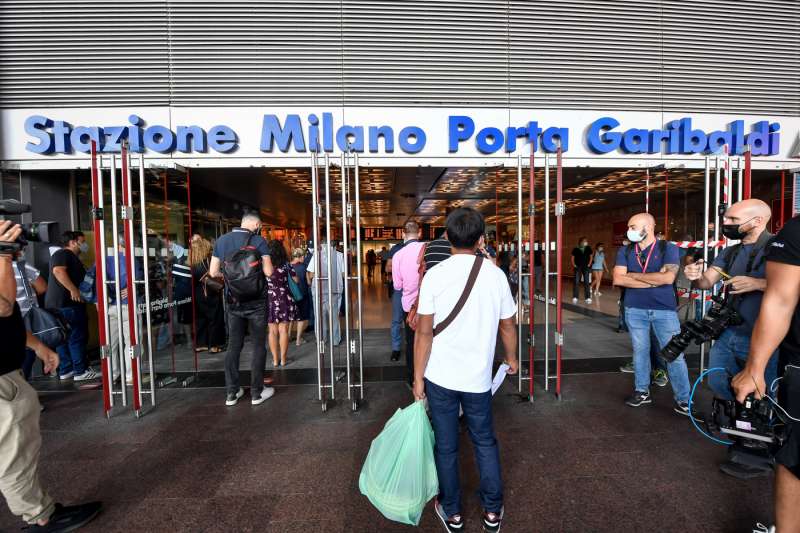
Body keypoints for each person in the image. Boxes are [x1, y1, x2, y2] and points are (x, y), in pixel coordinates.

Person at [412, 208, 518, 533]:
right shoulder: (495, 275)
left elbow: (424, 333)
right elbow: (508, 327)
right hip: (478, 378)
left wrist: (418, 378)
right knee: (484, 441)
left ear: (447, 236)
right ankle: (492, 512)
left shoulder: (435, 275)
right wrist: (512, 359)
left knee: (446, 445)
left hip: (440, 376)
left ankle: (453, 511)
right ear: (481, 239)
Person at [0, 220, 103, 531]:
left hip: (9, 368)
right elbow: (4, 308)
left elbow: (9, 320)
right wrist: (4, 256)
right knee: (14, 451)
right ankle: (39, 516)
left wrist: (39, 347)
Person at [685, 200, 777, 478]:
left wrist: (759, 283)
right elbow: (705, 282)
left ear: (758, 221)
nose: (727, 224)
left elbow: (791, 286)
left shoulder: (779, 248)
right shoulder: (730, 251)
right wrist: (694, 276)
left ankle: (759, 451)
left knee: (762, 396)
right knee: (719, 382)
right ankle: (739, 432)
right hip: (728, 332)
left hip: (763, 336)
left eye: (733, 219)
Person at [732, 214, 800, 533]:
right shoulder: (797, 231)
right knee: (795, 454)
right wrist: (755, 369)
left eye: (734, 218)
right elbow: (780, 300)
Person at [612, 213, 692, 415]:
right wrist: (653, 278)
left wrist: (633, 276)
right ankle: (642, 391)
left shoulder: (668, 248)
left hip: (663, 310)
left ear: (647, 227)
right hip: (634, 309)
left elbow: (668, 279)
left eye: (632, 226)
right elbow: (618, 279)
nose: (628, 230)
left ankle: (684, 400)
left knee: (674, 354)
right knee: (640, 352)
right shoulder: (626, 250)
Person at [209, 209, 275, 407]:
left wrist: (231, 278)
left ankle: (232, 392)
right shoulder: (258, 241)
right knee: (258, 345)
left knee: (234, 345)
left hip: (233, 300)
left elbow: (213, 272)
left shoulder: (221, 241)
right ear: (255, 224)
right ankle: (257, 393)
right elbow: (269, 272)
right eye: (260, 226)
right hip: (256, 302)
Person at [45, 231, 100, 382]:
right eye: (82, 241)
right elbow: (58, 271)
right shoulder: (63, 254)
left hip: (60, 305)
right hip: (68, 305)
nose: (84, 244)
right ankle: (80, 371)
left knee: (63, 338)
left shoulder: (71, 257)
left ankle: (66, 370)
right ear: (73, 242)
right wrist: (73, 289)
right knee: (76, 337)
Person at [391, 221, 426, 384]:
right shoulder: (428, 248)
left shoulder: (398, 255)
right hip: (430, 303)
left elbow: (397, 285)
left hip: (410, 306)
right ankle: (428, 376)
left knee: (412, 341)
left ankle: (413, 377)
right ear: (419, 234)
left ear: (403, 234)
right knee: (430, 338)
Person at [386, 231, 423, 362]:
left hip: (418, 290)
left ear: (403, 234)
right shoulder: (396, 249)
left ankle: (413, 348)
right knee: (397, 320)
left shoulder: (424, 248)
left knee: (416, 321)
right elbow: (388, 268)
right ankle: (396, 348)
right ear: (419, 233)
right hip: (401, 290)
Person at [13, 250, 47, 380]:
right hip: (25, 316)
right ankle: (21, 384)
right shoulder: (21, 266)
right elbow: (42, 286)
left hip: (6, 320)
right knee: (27, 352)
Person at [189, 235, 225, 354]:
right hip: (210, 292)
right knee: (215, 318)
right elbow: (215, 274)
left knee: (201, 319)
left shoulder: (192, 262)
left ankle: (201, 344)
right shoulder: (208, 261)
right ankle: (214, 345)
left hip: (198, 293)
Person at [266, 240, 299, 366]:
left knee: (272, 331)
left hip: (270, 299)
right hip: (285, 298)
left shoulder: (265, 264)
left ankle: (275, 360)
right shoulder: (286, 264)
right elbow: (296, 280)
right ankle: (284, 360)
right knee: (284, 330)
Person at [307, 238, 345, 346]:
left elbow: (311, 274)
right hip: (335, 289)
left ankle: (321, 340)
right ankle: (335, 340)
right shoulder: (339, 255)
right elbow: (343, 273)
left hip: (319, 290)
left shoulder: (317, 255)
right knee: (334, 316)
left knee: (319, 317)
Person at [289, 248, 310, 346]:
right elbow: (308, 282)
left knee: (291, 316)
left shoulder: (287, 266)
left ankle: (288, 335)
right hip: (302, 294)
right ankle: (298, 340)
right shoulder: (303, 267)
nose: (304, 258)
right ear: (300, 256)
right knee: (301, 317)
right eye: (303, 256)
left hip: (290, 295)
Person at [571, 236, 593, 304]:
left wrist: (589, 264)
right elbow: (572, 257)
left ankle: (588, 297)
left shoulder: (588, 248)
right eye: (585, 241)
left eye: (586, 241)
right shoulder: (576, 249)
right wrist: (574, 264)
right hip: (577, 267)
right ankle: (575, 297)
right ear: (581, 242)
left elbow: (591, 256)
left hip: (586, 267)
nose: (586, 242)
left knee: (586, 282)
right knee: (576, 282)